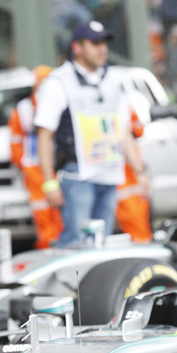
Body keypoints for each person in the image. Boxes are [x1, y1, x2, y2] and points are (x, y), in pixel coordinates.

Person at [35, 20, 149, 247]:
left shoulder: (114, 79)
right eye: (95, 43)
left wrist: (140, 171)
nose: (102, 48)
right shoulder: (59, 82)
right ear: (77, 47)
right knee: (76, 243)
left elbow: (122, 130)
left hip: (108, 173)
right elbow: (44, 136)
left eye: (104, 42)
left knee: (101, 243)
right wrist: (49, 183)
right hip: (78, 177)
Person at [8, 65, 63, 249]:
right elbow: (15, 140)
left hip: (58, 165)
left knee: (62, 211)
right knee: (43, 212)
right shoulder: (23, 109)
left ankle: (63, 244)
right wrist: (23, 164)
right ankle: (47, 247)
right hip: (34, 169)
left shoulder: (59, 102)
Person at [115, 109, 152, 243]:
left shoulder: (123, 105)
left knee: (137, 229)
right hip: (120, 176)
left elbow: (136, 131)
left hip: (127, 175)